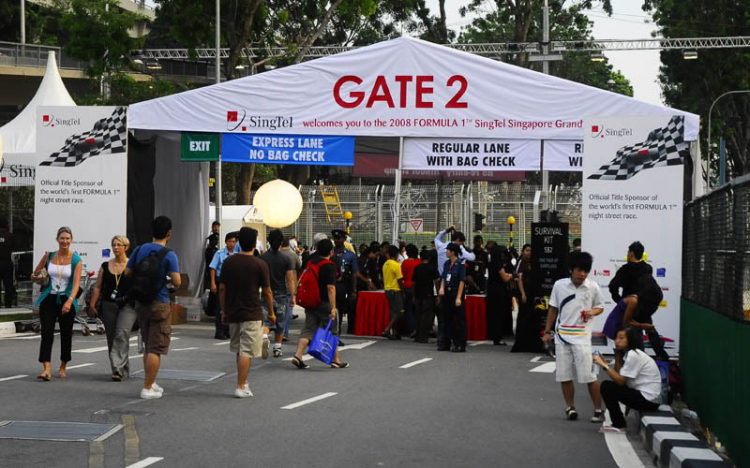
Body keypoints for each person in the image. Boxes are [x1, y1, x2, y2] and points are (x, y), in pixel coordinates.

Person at [543, 251, 605, 422]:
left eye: (586, 271)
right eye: (579, 270)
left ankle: (598, 410)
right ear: (571, 269)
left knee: (588, 376)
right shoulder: (559, 286)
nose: (583, 274)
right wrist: (547, 332)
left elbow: (600, 307)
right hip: (562, 336)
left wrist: (592, 311)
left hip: (582, 337)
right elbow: (553, 309)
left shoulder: (593, 287)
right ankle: (570, 407)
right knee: (564, 375)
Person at [125, 216, 181, 400]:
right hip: (160, 302)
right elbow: (178, 281)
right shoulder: (169, 254)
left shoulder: (140, 249)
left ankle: (150, 381)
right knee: (156, 348)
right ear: (169, 233)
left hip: (141, 302)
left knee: (148, 344)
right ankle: (147, 387)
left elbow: (127, 272)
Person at [221, 227, 274, 397]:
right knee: (246, 350)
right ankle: (241, 385)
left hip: (233, 311)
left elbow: (222, 288)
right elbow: (267, 291)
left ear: (238, 242)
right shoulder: (260, 264)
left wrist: (223, 310)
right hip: (252, 311)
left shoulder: (229, 262)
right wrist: (271, 312)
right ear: (254, 243)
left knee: (238, 348)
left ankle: (242, 381)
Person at [31, 227, 82, 381]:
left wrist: (70, 301)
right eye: (62, 238)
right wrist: (38, 274)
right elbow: (35, 273)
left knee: (66, 334)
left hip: (66, 299)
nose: (64, 241)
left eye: (67, 238)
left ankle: (63, 366)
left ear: (71, 240)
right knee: (46, 332)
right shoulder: (49, 256)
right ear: (57, 239)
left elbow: (76, 284)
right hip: (49, 298)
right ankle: (46, 368)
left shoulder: (76, 259)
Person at [291, 239, 348, 369]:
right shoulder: (329, 266)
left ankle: (298, 355)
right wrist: (333, 308)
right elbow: (331, 288)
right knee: (332, 330)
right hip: (323, 303)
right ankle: (336, 360)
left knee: (308, 329)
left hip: (310, 302)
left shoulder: (310, 262)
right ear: (331, 251)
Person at [594, 327, 662, 433]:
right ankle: (618, 423)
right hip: (647, 398)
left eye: (621, 338)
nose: (617, 341)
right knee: (609, 386)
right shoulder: (628, 354)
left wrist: (604, 365)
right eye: (616, 338)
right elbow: (619, 374)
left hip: (648, 400)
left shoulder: (634, 355)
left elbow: (620, 381)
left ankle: (619, 424)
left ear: (630, 340)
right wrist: (614, 357)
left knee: (607, 386)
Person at [608, 241, 667, 361]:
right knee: (649, 329)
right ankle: (662, 356)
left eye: (628, 252)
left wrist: (619, 300)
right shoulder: (647, 268)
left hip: (629, 307)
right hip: (644, 307)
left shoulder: (625, 270)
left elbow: (612, 286)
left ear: (631, 254)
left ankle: (638, 360)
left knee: (632, 333)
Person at [90, 236, 136, 381]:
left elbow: (137, 286)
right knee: (112, 338)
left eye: (119, 245)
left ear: (126, 247)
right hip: (108, 305)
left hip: (127, 305)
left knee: (121, 334)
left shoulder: (132, 265)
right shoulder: (105, 266)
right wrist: (92, 303)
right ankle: (122, 369)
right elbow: (98, 287)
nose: (116, 247)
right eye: (113, 245)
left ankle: (117, 369)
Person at [260, 230, 295, 358]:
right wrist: (292, 296)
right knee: (280, 320)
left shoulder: (261, 258)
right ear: (281, 242)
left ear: (268, 241)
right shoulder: (286, 259)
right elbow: (290, 279)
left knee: (266, 319)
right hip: (281, 294)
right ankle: (277, 347)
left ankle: (264, 335)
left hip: (265, 293)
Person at [331, 229, 371, 335]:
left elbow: (354, 273)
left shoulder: (350, 255)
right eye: (335, 238)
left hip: (345, 285)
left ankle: (342, 331)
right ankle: (332, 333)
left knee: (345, 309)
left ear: (344, 239)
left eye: (339, 238)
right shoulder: (330, 253)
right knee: (332, 310)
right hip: (331, 285)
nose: (336, 241)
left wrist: (353, 290)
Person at [511, 244, 543, 353]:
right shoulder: (521, 263)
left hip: (533, 293)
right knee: (523, 317)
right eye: (527, 250)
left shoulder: (533, 263)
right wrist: (523, 294)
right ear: (523, 251)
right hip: (524, 293)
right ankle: (520, 342)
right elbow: (519, 279)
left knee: (533, 317)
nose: (529, 252)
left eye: (531, 250)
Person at [208, 232, 238, 340]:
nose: (232, 244)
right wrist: (212, 283)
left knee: (231, 308)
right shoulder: (219, 253)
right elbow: (212, 268)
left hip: (233, 283)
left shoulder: (237, 254)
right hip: (220, 281)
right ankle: (219, 331)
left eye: (234, 241)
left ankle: (228, 330)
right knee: (221, 307)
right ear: (226, 242)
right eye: (230, 241)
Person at [438, 243, 467, 352]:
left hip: (456, 292)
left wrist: (459, 297)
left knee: (459, 319)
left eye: (448, 250)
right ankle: (446, 343)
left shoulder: (460, 264)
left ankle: (460, 344)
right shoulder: (446, 263)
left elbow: (462, 281)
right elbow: (443, 277)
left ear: (453, 252)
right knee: (446, 318)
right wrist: (441, 288)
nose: (446, 252)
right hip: (447, 293)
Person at [486, 246, 514, 346]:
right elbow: (505, 278)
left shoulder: (490, 264)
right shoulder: (499, 265)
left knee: (492, 315)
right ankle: (497, 338)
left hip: (491, 291)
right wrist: (510, 276)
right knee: (499, 315)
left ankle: (492, 335)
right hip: (499, 292)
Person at [412, 249, 440, 343]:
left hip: (418, 294)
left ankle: (417, 336)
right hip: (428, 294)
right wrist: (439, 295)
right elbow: (436, 282)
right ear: (429, 258)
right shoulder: (432, 268)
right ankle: (424, 337)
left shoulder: (417, 268)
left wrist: (413, 295)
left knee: (418, 315)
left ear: (420, 257)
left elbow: (414, 283)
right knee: (427, 316)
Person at [381, 245, 405, 340]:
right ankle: (387, 329)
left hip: (387, 289)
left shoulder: (385, 264)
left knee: (393, 312)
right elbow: (400, 280)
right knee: (399, 312)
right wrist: (403, 292)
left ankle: (395, 332)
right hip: (396, 290)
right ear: (396, 255)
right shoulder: (396, 265)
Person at [281, 237, 302, 342]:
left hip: (278, 286)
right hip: (291, 286)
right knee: (289, 310)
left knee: (279, 309)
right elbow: (299, 267)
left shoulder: (277, 254)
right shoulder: (293, 255)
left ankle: (278, 331)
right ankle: (286, 332)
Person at [400, 244, 421, 336]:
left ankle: (412, 330)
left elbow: (402, 276)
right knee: (417, 309)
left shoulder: (405, 262)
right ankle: (418, 328)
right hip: (418, 287)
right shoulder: (420, 261)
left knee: (408, 310)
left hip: (407, 287)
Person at [0, 219, 16, 308]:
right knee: (8, 285)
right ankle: (8, 304)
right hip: (7, 262)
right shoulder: (10, 236)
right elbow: (14, 247)